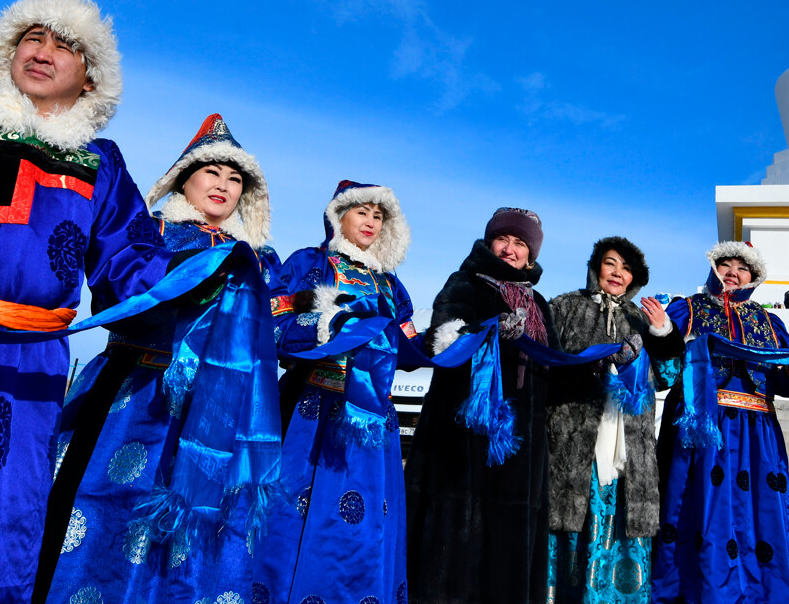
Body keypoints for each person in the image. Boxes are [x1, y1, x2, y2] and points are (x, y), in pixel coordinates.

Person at [0, 0, 178, 602]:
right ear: (8, 51)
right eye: (33, 37)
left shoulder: (99, 164)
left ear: (89, 81)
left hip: (24, 367)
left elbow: (130, 262)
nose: (44, 50)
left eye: (66, 45)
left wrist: (201, 281)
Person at [40, 113, 282, 603]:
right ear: (182, 178)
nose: (223, 185)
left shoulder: (258, 260)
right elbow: (112, 299)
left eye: (235, 179)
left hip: (217, 410)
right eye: (212, 172)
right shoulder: (149, 236)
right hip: (133, 395)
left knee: (200, 526)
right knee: (108, 508)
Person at [258, 180, 415, 604]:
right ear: (337, 216)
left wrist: (450, 342)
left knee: (366, 526)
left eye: (378, 215)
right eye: (361, 211)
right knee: (293, 512)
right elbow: (272, 327)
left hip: (372, 421)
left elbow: (408, 348)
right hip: (310, 409)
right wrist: (328, 327)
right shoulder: (310, 265)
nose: (370, 221)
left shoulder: (390, 286)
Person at [405, 207, 561, 604]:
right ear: (490, 242)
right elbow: (445, 339)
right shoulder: (466, 283)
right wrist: (489, 332)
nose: (510, 249)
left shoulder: (539, 304)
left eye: (520, 243)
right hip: (466, 436)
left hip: (522, 447)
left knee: (510, 544)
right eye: (503, 239)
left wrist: (606, 363)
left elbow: (557, 371)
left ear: (532, 254)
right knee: (457, 539)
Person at [652, 241, 789, 604]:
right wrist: (662, 334)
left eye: (743, 268)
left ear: (753, 277)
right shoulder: (687, 309)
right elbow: (666, 362)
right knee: (699, 507)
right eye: (726, 264)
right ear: (713, 268)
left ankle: (762, 591)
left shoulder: (771, 323)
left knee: (760, 510)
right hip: (702, 425)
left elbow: (781, 384)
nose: (733, 272)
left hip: (757, 434)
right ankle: (697, 588)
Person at [545, 237, 682, 604]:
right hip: (576, 439)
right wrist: (597, 365)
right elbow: (546, 365)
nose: (618, 273)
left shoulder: (640, 317)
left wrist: (662, 334)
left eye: (626, 268)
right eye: (610, 263)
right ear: (595, 267)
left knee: (624, 526)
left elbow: (668, 377)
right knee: (572, 522)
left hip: (629, 444)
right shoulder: (564, 307)